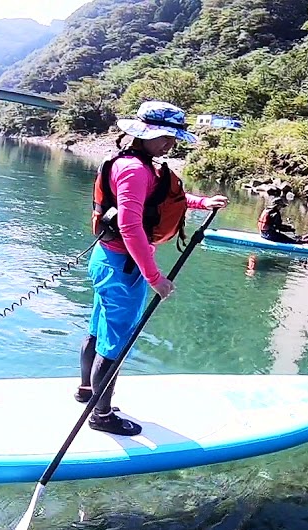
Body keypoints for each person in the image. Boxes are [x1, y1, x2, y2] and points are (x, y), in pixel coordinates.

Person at [75, 101, 228, 436]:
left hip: (110, 261)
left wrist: (202, 203)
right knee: (117, 341)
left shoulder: (140, 165)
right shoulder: (134, 169)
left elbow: (158, 202)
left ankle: (86, 391)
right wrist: (154, 277)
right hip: (124, 267)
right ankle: (101, 416)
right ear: (142, 135)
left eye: (172, 137)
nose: (170, 143)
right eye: (163, 136)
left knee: (99, 329)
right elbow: (130, 226)